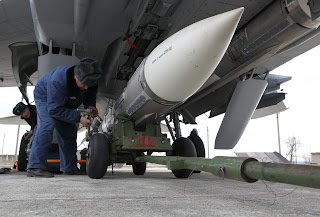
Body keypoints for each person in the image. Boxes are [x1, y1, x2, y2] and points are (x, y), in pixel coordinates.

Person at [27, 57, 103, 178]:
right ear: (76, 77)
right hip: (45, 97)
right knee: (47, 125)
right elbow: (54, 109)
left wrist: (90, 106)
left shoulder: (90, 80)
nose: (86, 88)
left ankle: (70, 168)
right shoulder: (58, 80)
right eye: (83, 84)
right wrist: (79, 118)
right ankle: (35, 166)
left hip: (65, 101)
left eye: (89, 85)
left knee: (68, 131)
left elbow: (90, 94)